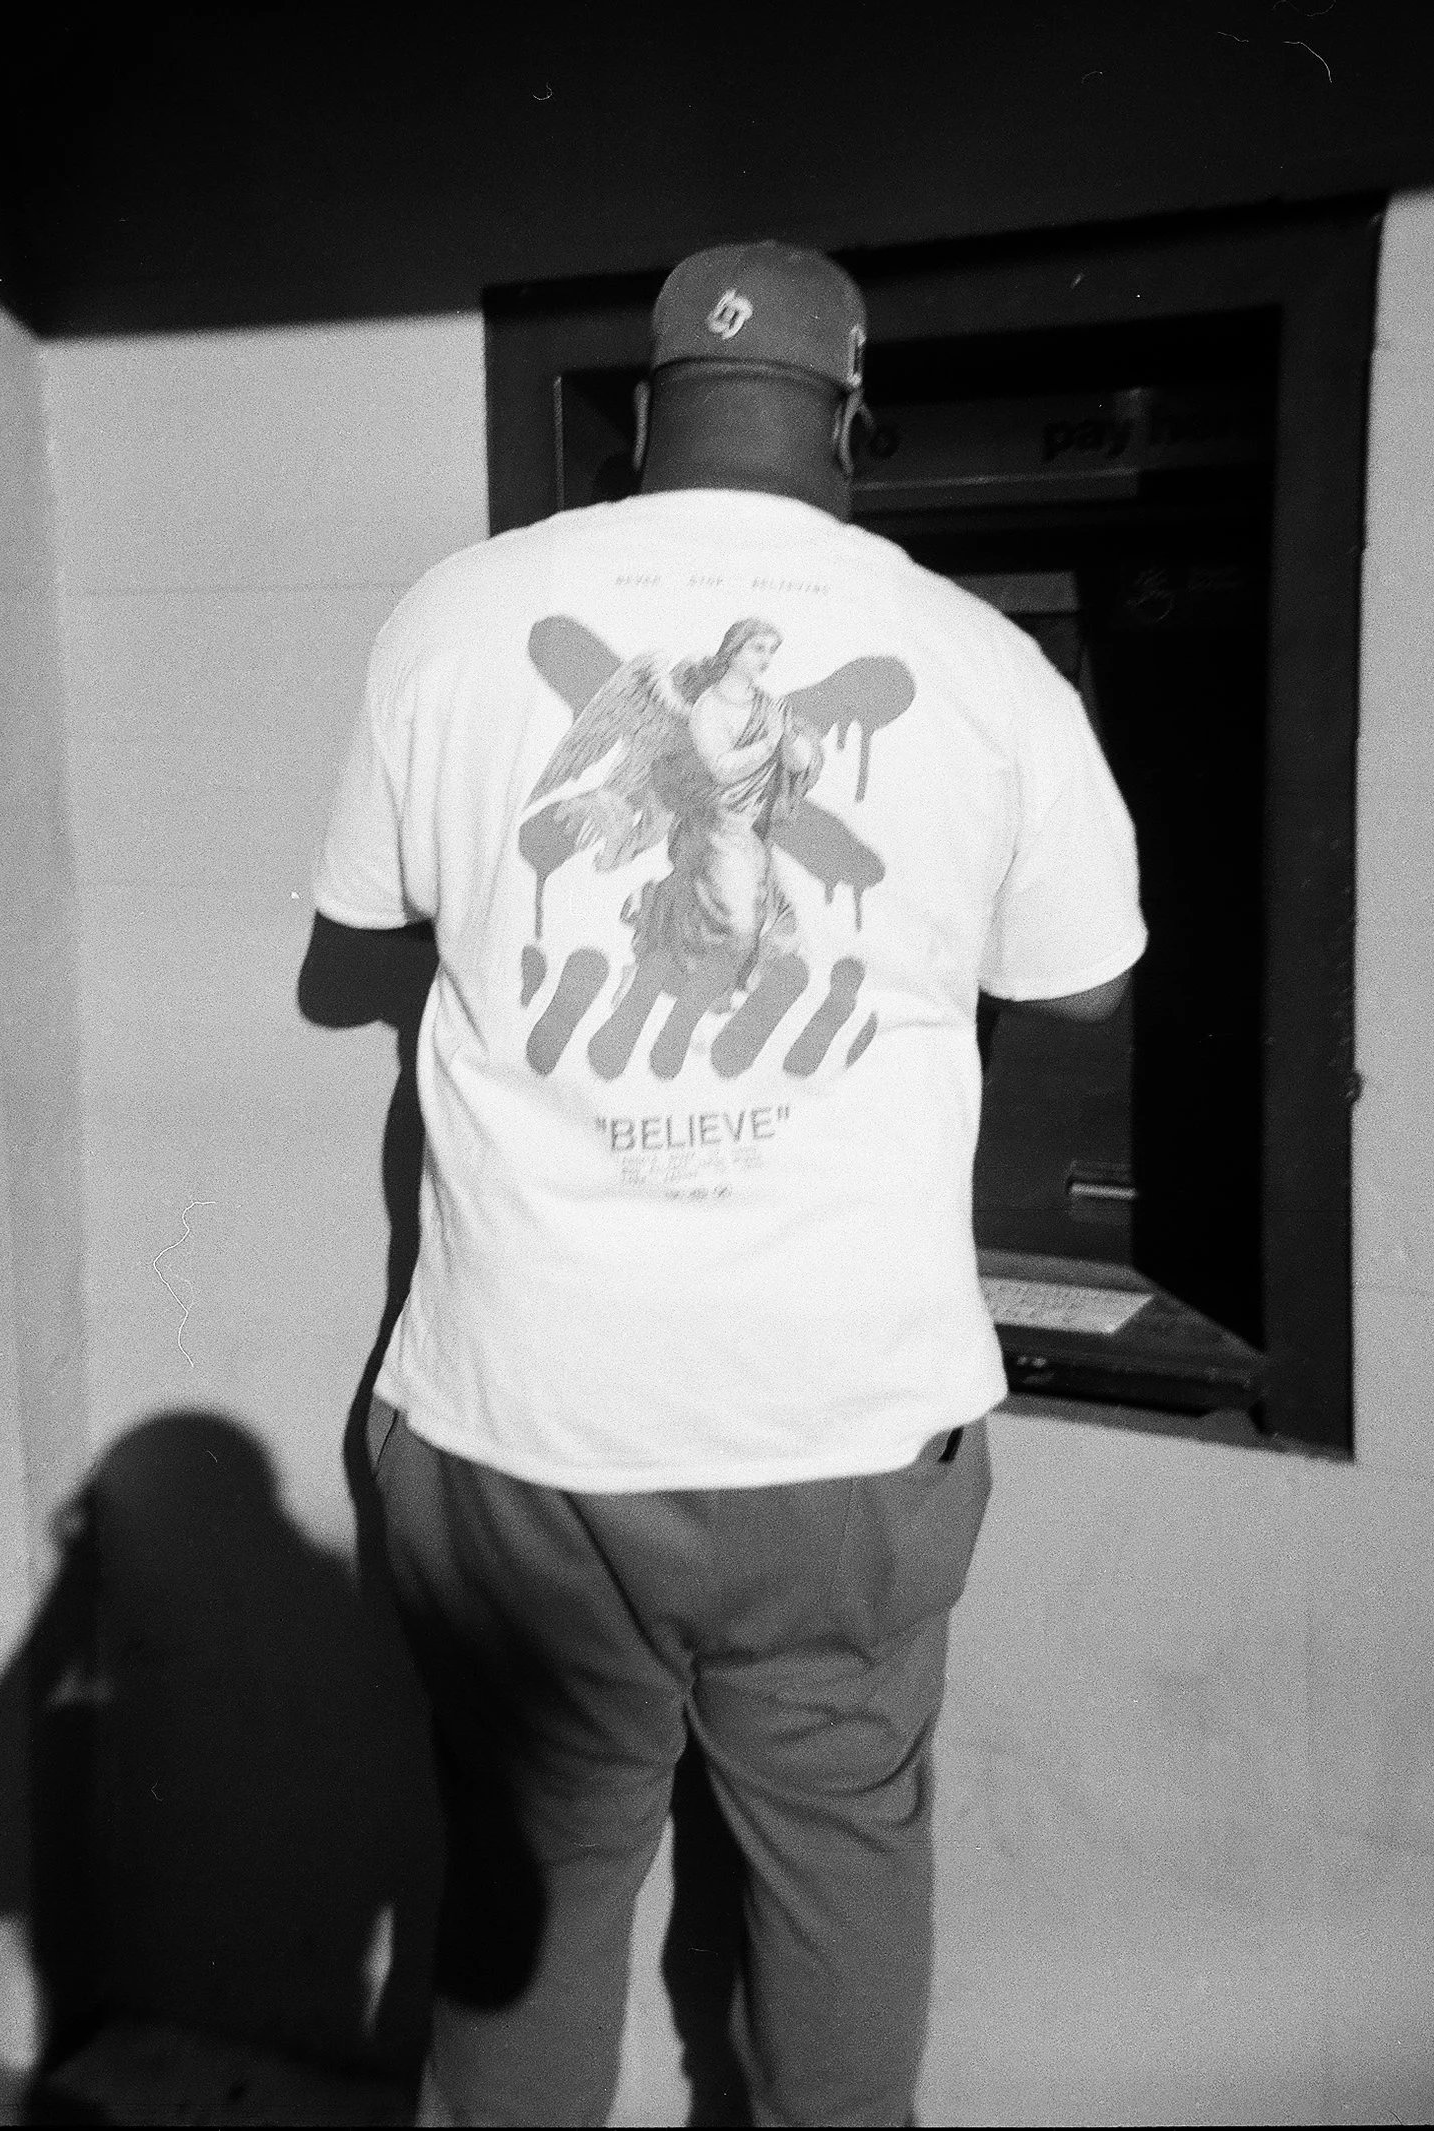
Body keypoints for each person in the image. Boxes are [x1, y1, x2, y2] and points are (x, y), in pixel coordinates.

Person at [313, 241, 1144, 2126]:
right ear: (851, 411)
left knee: (529, 1888)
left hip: (525, 1424)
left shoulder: (452, 619)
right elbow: (1084, 972)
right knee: (842, 1867)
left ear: (645, 411)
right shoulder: (986, 659)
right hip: (845, 1429)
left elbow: (357, 931)